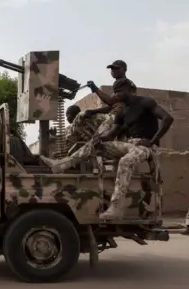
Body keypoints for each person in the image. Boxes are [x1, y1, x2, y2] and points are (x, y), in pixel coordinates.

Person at [41, 87, 174, 221]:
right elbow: (112, 134)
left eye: (119, 90)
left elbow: (168, 119)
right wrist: (99, 140)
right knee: (95, 145)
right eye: (114, 91)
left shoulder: (145, 102)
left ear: (128, 90)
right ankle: (61, 164)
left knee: (125, 161)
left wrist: (152, 141)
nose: (115, 94)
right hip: (129, 144)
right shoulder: (122, 112)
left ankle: (116, 208)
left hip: (146, 147)